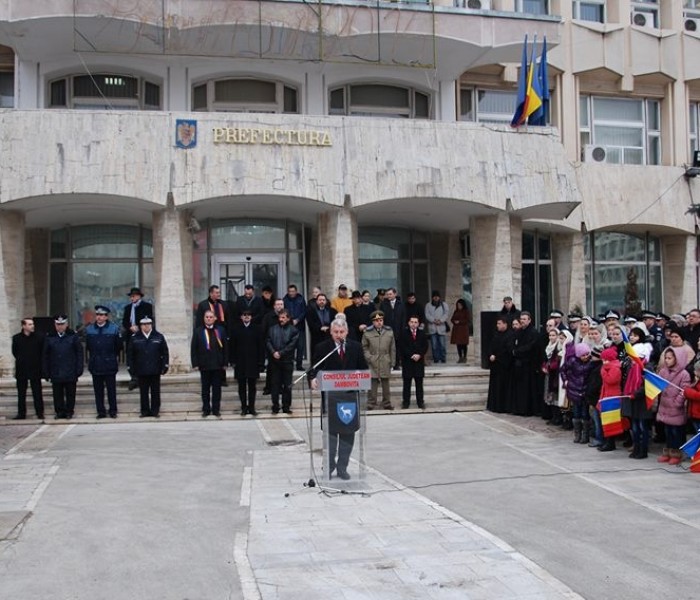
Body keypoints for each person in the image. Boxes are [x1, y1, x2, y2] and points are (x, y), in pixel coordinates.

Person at [308, 318, 369, 480]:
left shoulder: (355, 347)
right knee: (331, 436)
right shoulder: (322, 348)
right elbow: (314, 368)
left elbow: (363, 368)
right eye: (336, 332)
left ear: (347, 332)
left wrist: (360, 376)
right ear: (331, 332)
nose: (339, 335)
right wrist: (313, 378)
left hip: (349, 398)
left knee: (348, 435)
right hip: (330, 399)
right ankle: (329, 466)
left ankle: (343, 467)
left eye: (342, 332)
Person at [42, 315, 84, 420]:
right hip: (56, 370)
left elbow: (79, 353)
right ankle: (59, 411)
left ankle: (69, 411)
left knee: (70, 393)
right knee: (57, 393)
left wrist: (79, 368)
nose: (60, 327)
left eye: (62, 324)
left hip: (70, 370)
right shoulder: (50, 337)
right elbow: (45, 355)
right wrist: (46, 371)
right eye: (58, 324)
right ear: (55, 325)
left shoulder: (73, 336)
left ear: (66, 324)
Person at [85, 305, 123, 419]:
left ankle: (113, 410)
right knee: (98, 390)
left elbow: (118, 346)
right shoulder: (90, 329)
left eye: (102, 315)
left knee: (111, 389)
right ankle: (100, 411)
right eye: (97, 315)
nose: (99, 317)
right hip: (96, 363)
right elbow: (88, 346)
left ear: (106, 317)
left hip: (109, 363)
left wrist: (111, 356)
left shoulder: (114, 328)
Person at [127, 316, 169, 418]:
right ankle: (144, 411)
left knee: (155, 392)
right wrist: (131, 368)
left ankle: (155, 411)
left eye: (148, 324)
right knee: (143, 392)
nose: (146, 326)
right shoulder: (135, 337)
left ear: (151, 325)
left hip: (155, 369)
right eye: (144, 325)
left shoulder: (158, 336)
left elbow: (165, 352)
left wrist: (165, 366)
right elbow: (130, 355)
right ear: (140, 326)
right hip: (141, 369)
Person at [656, 346, 690, 465]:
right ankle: (668, 452)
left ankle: (677, 453)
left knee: (677, 432)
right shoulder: (663, 371)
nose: (666, 360)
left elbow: (684, 390)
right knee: (668, 431)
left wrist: (677, 402)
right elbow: (657, 383)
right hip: (665, 406)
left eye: (669, 358)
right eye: (665, 358)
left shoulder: (684, 374)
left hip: (676, 408)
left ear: (677, 359)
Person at [191, 309, 228, 417]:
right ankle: (206, 409)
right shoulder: (198, 331)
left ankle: (216, 409)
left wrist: (225, 362)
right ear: (204, 318)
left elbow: (225, 347)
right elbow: (194, 348)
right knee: (205, 389)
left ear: (215, 318)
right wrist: (195, 363)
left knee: (217, 389)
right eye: (207, 317)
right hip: (204, 365)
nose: (209, 319)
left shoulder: (220, 330)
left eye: (211, 317)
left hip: (217, 365)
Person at [230, 309, 265, 416]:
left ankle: (252, 407)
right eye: (244, 315)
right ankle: (244, 407)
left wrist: (261, 362)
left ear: (251, 317)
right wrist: (232, 361)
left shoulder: (257, 329)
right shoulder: (236, 329)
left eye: (248, 315)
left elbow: (261, 347)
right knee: (241, 386)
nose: (246, 317)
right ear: (241, 317)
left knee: (252, 386)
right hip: (240, 363)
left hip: (253, 363)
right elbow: (232, 346)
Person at [266, 309, 299, 414]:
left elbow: (292, 345)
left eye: (283, 317)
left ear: (288, 318)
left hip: (287, 361)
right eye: (280, 317)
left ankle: (286, 406)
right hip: (275, 361)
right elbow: (268, 341)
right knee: (275, 385)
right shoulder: (272, 329)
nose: (281, 319)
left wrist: (281, 353)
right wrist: (273, 352)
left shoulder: (293, 330)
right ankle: (275, 406)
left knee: (287, 385)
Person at [11, 318, 45, 420]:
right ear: (24, 326)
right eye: (30, 324)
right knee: (21, 393)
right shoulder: (17, 338)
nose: (32, 326)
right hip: (22, 369)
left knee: (37, 392)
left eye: (32, 324)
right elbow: (15, 352)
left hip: (35, 368)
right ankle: (21, 413)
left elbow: (41, 352)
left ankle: (40, 412)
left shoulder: (39, 337)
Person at [122, 287, 154, 390]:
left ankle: (141, 377)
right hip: (131, 335)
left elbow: (149, 320)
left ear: (139, 296)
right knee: (131, 356)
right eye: (131, 296)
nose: (132, 298)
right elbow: (125, 322)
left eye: (134, 296)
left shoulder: (146, 306)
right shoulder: (128, 308)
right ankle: (133, 377)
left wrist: (139, 327)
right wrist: (130, 327)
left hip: (141, 334)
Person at [362, 311, 395, 410]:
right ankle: (371, 403)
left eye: (381, 320)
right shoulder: (367, 332)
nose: (379, 322)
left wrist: (392, 362)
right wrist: (369, 357)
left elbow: (392, 348)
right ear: (373, 322)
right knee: (373, 382)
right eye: (376, 321)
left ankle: (386, 403)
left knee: (385, 383)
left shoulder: (389, 332)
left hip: (385, 359)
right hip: (373, 359)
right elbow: (364, 347)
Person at [510, 311, 540, 416]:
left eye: (524, 319)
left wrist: (517, 351)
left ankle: (527, 410)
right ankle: (518, 408)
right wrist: (514, 351)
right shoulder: (518, 332)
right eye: (521, 319)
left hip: (528, 364)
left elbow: (531, 346)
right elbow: (513, 344)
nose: (522, 321)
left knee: (527, 389)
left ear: (529, 320)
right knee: (518, 388)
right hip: (518, 364)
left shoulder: (533, 332)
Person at [399, 316, 429, 409]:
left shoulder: (422, 333)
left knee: (419, 384)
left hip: (419, 362)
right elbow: (402, 346)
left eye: (415, 322)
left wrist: (419, 355)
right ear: (408, 323)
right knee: (407, 384)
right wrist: (411, 355)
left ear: (418, 324)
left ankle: (420, 402)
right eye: (412, 322)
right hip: (408, 362)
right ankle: (405, 402)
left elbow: (425, 346)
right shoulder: (403, 333)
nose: (413, 324)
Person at [486, 317, 513, 413]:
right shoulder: (496, 334)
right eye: (497, 323)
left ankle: (502, 407)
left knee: (502, 387)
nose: (497, 325)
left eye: (499, 323)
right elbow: (491, 347)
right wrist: (490, 355)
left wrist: (496, 357)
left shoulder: (510, 335)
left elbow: (507, 350)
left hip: (503, 365)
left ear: (505, 324)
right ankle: (494, 406)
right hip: (495, 366)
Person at [283, 283, 307, 370]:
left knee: (300, 346)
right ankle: (290, 364)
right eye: (290, 291)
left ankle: (299, 365)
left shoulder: (301, 299)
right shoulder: (285, 300)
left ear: (296, 291)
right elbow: (284, 312)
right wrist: (290, 320)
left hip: (300, 327)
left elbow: (304, 311)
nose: (291, 293)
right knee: (290, 346)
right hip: (289, 327)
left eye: (293, 291)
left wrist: (298, 319)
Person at [380, 287, 405, 369]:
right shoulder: (384, 304)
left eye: (390, 294)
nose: (389, 296)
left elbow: (403, 318)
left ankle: (396, 364)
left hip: (398, 330)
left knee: (397, 348)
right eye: (387, 294)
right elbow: (381, 317)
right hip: (387, 330)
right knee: (387, 348)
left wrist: (403, 329)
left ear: (395, 294)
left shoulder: (401, 304)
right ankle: (388, 364)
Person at [424, 290, 449, 364]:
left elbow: (446, 314)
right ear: (432, 297)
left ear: (439, 297)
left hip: (441, 326)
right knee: (434, 345)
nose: (436, 298)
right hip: (432, 327)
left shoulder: (444, 305)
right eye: (434, 297)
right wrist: (433, 320)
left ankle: (443, 358)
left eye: (437, 297)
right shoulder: (428, 305)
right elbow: (427, 315)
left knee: (442, 345)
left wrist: (440, 320)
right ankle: (436, 359)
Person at [450, 299, 470, 364]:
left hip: (463, 330)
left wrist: (460, 321)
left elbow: (468, 320)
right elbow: (452, 319)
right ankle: (460, 357)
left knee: (464, 344)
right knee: (458, 344)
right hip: (457, 330)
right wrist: (455, 321)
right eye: (458, 305)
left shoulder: (466, 311)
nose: (459, 306)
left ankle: (464, 357)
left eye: (460, 305)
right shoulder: (456, 311)